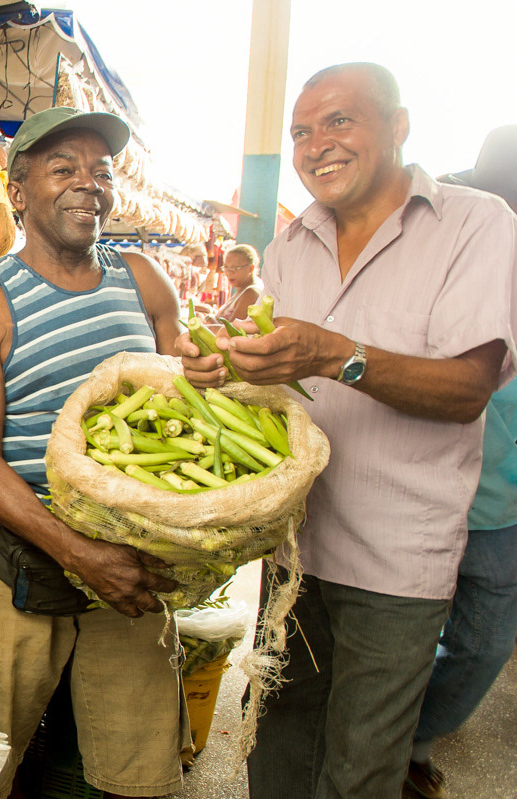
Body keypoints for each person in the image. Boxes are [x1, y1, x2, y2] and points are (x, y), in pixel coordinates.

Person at [179, 62, 517, 799]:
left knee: (362, 766)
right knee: (280, 740)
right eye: (301, 131)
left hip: (396, 562)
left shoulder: (475, 224)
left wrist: (339, 355)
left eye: (339, 120)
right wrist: (221, 365)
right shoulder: (290, 247)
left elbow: (468, 388)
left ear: (398, 126)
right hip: (295, 548)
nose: (316, 145)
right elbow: (278, 383)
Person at [0, 106, 189, 799]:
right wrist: (79, 553)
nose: (89, 184)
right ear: (18, 193)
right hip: (18, 558)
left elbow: (188, 399)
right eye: (63, 169)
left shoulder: (143, 279)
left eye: (101, 171)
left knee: (139, 768)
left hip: (131, 561)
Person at [406, 125, 517, 799]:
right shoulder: (445, 244)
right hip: (421, 488)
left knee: (483, 643)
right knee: (395, 637)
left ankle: (413, 736)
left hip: (500, 505)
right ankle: (391, 745)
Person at [206, 243, 261, 323]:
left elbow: (232, 328)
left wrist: (209, 319)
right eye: (226, 267)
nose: (229, 273)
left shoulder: (251, 293)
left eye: (235, 268)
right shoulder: (242, 287)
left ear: (251, 268)